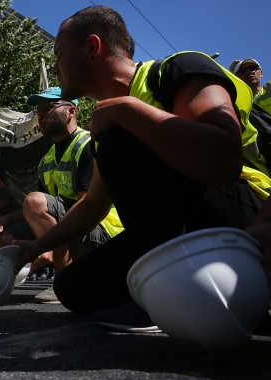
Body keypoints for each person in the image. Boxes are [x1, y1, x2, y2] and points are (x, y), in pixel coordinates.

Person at [16, 6, 266, 330]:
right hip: (179, 233)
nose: (55, 66)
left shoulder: (178, 69)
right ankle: (167, 291)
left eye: (60, 54)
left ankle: (169, 295)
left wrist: (129, 111)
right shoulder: (108, 126)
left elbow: (223, 162)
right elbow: (92, 205)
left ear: (92, 47)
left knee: (120, 140)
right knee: (73, 288)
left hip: (248, 219)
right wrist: (34, 248)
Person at [0, 87, 120, 304]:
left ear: (71, 111)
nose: (41, 114)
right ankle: (71, 274)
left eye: (49, 107)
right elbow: (45, 207)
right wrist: (7, 219)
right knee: (7, 234)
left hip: (105, 232)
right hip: (77, 229)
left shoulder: (88, 144)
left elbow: (88, 205)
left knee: (33, 201)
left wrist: (43, 246)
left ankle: (66, 278)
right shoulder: (47, 159)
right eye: (39, 109)